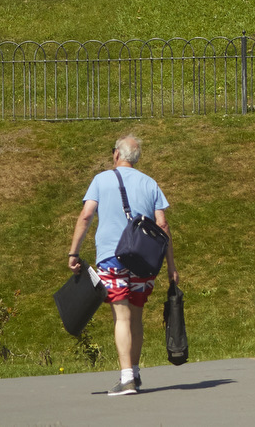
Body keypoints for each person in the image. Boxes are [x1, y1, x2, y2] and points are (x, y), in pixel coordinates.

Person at [67, 133, 176, 398]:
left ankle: (126, 378)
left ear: (116, 154)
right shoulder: (150, 183)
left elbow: (86, 215)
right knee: (136, 315)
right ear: (136, 158)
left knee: (122, 315)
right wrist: (171, 266)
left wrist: (74, 252)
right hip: (144, 260)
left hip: (112, 257)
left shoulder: (101, 180)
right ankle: (135, 373)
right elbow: (162, 225)